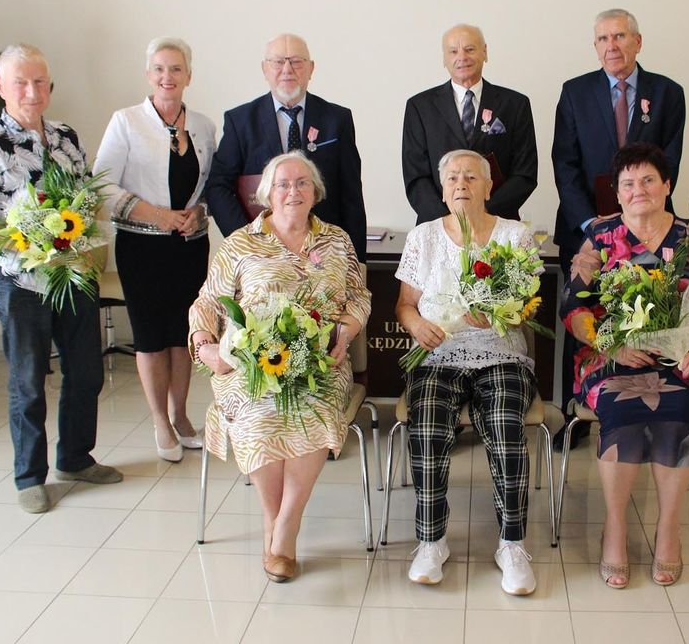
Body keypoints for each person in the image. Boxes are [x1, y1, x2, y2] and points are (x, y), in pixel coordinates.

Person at [561, 142, 689, 589]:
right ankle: (616, 528)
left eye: (647, 180)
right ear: (617, 194)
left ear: (667, 186)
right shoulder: (600, 236)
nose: (638, 190)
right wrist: (609, 344)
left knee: (678, 411)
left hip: (680, 360)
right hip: (611, 358)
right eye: (628, 183)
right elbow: (573, 307)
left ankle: (668, 528)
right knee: (620, 410)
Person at [0, 43, 123, 514]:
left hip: (71, 278)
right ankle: (30, 476)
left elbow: (87, 202)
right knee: (28, 381)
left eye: (40, 82)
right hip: (19, 283)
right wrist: (29, 241)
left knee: (86, 372)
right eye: (22, 82)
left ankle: (75, 458)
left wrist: (84, 248)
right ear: (2, 87)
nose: (33, 91)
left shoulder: (66, 138)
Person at [189, 151, 370, 582]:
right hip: (252, 364)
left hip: (320, 363)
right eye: (283, 184)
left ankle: (284, 526)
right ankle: (277, 524)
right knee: (257, 416)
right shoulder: (239, 244)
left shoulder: (337, 241)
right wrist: (204, 345)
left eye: (302, 183)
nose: (293, 191)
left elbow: (358, 297)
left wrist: (343, 334)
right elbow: (208, 301)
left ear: (315, 192)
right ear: (267, 193)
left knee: (314, 411)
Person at [395, 149, 540, 596]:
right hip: (438, 356)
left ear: (488, 186)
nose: (462, 184)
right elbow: (404, 306)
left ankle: (512, 544)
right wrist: (417, 325)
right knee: (429, 424)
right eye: (453, 177)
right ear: (442, 189)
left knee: (503, 424)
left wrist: (500, 314)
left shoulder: (516, 237)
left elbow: (525, 311)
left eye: (471, 177)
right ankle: (431, 540)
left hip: (501, 355)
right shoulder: (423, 236)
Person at [552, 8, 686, 448]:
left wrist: (636, 218)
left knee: (644, 313)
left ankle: (643, 403)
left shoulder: (668, 93)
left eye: (620, 36)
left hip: (648, 225)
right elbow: (564, 162)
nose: (612, 46)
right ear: (595, 46)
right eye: (603, 39)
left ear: (638, 42)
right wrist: (593, 224)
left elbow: (668, 163)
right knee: (584, 316)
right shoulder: (575, 92)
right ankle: (577, 415)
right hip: (587, 227)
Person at [93, 37, 216, 463]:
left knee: (184, 337)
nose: (168, 77)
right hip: (141, 248)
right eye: (160, 69)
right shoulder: (125, 121)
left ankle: (181, 416)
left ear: (188, 76)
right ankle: (160, 421)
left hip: (189, 247)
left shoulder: (203, 126)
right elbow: (102, 185)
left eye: (176, 69)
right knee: (151, 337)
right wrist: (157, 215)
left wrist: (198, 212)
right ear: (149, 75)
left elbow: (211, 184)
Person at [206, 33, 367, 260]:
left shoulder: (337, 119)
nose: (287, 69)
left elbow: (351, 194)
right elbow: (217, 186)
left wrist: (357, 261)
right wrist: (248, 239)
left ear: (311, 69)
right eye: (279, 61)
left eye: (296, 62)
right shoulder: (240, 121)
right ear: (265, 69)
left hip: (324, 253)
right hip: (260, 257)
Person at [401, 23, 538, 224]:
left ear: (485, 52)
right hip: (437, 226)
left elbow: (524, 173)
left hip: (498, 224)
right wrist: (449, 221)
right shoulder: (419, 107)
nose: (462, 57)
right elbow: (415, 176)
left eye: (470, 49)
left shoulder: (515, 104)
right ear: (444, 59)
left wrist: (482, 214)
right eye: (453, 51)